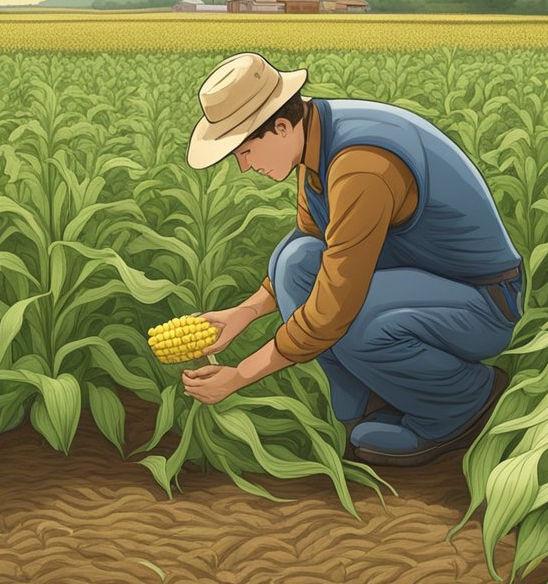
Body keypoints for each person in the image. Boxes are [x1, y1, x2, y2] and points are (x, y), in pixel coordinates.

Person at [179, 52, 523, 467]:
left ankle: (460, 402)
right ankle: (370, 401)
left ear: (282, 127)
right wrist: (246, 312)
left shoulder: (361, 166)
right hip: (416, 275)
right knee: (295, 263)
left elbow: (336, 302)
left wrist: (240, 376)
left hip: (481, 301)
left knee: (353, 317)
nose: (244, 166)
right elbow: (314, 241)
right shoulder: (316, 142)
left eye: (246, 151)